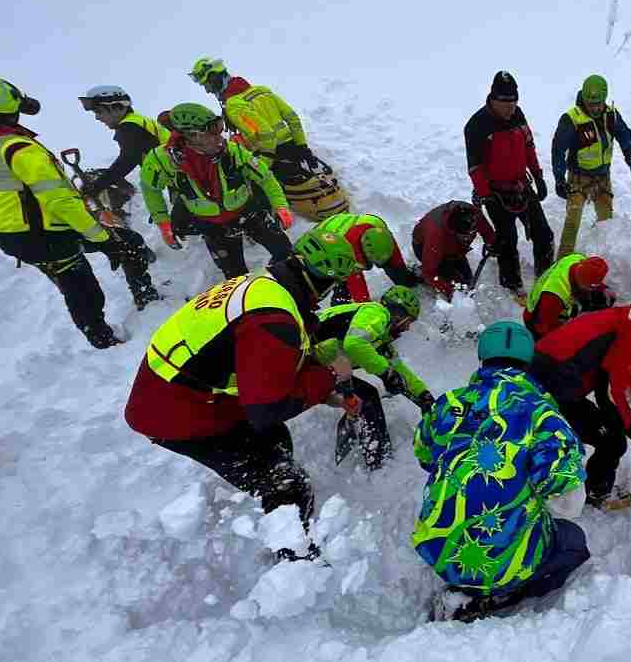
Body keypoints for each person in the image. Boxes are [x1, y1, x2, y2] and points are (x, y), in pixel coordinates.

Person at [124, 228, 362, 551]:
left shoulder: (267, 286)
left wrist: (324, 393)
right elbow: (266, 409)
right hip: (172, 412)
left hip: (181, 388)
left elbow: (272, 361)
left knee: (275, 440)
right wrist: (330, 374)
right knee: (289, 486)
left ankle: (280, 509)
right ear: (326, 282)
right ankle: (294, 566)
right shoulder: (273, 320)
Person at [414, 321, 589, 621]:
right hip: (502, 561)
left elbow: (425, 455)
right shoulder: (543, 414)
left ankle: (463, 581)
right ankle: (497, 596)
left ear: (482, 359)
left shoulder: (449, 404)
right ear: (528, 362)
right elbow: (568, 502)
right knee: (573, 541)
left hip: (439, 552)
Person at [0, 76, 160, 347]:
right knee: (84, 281)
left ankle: (105, 323)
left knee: (72, 280)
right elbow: (60, 201)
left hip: (11, 236)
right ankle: (106, 334)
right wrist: (102, 239)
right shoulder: (15, 147)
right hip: (46, 232)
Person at [530, 302, 631, 509]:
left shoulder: (620, 318)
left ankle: (593, 489)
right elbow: (611, 391)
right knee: (611, 441)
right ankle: (595, 496)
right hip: (551, 388)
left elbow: (606, 389)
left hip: (543, 380)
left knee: (610, 432)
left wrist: (630, 424)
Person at [140, 103, 294, 279]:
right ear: (192, 135)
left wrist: (280, 205)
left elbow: (265, 177)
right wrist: (163, 223)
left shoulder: (232, 151)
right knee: (235, 277)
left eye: (219, 128)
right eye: (213, 132)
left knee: (287, 254)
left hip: (248, 212)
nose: (219, 137)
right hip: (212, 226)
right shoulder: (162, 160)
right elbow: (150, 189)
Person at [188, 57, 348, 220]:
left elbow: (266, 134)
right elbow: (292, 118)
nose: (208, 91)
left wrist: (263, 164)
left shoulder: (234, 105)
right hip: (291, 148)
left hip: (271, 154)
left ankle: (267, 220)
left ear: (215, 78)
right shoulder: (262, 91)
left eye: (207, 85)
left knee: (253, 186)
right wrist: (302, 146)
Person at [312, 285, 434, 469]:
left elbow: (399, 370)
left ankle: (369, 455)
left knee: (363, 397)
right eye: (409, 321)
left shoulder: (380, 339)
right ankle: (378, 463)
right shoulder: (376, 312)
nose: (408, 328)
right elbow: (354, 344)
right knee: (366, 397)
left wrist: (424, 396)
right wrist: (385, 373)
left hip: (321, 364)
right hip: (306, 359)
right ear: (399, 315)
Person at [464, 71, 554, 296]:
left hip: (522, 186)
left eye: (513, 102)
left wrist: (538, 175)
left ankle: (544, 279)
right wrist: (486, 195)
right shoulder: (476, 126)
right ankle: (511, 285)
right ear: (492, 99)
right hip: (495, 192)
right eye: (505, 103)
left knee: (544, 234)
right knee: (507, 240)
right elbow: (475, 167)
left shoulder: (518, 115)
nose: (510, 108)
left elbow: (528, 146)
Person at [550, 74, 631, 258]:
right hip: (578, 178)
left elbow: (623, 133)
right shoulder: (572, 119)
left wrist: (629, 151)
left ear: (604, 99)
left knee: (606, 220)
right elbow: (558, 150)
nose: (595, 108)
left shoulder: (610, 115)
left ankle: (603, 258)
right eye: (591, 104)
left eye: (598, 103)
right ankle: (562, 261)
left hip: (602, 177)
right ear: (583, 98)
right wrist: (559, 179)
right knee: (572, 220)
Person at [77, 85, 171, 201]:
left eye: (98, 111)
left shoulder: (129, 127)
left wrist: (96, 187)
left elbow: (128, 160)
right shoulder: (138, 121)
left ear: (117, 108)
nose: (97, 117)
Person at [308, 212, 422, 303]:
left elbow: (395, 259)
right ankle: (341, 308)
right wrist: (365, 306)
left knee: (398, 271)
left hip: (345, 226)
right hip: (323, 241)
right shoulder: (346, 253)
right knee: (341, 283)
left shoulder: (379, 229)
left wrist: (403, 277)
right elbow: (358, 287)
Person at [411, 200, 496, 300]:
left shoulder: (474, 215)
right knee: (458, 286)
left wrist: (491, 243)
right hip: (424, 247)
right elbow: (429, 272)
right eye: (464, 236)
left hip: (454, 249)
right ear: (453, 231)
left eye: (471, 233)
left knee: (467, 281)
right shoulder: (436, 237)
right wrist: (449, 290)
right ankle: (418, 273)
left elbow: (486, 230)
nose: (468, 238)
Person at [522, 253, 615, 340]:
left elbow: (590, 279)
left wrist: (603, 288)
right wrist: (571, 332)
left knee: (600, 297)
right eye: (589, 287)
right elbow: (543, 328)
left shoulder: (577, 259)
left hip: (553, 308)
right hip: (535, 320)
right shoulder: (553, 296)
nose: (591, 290)